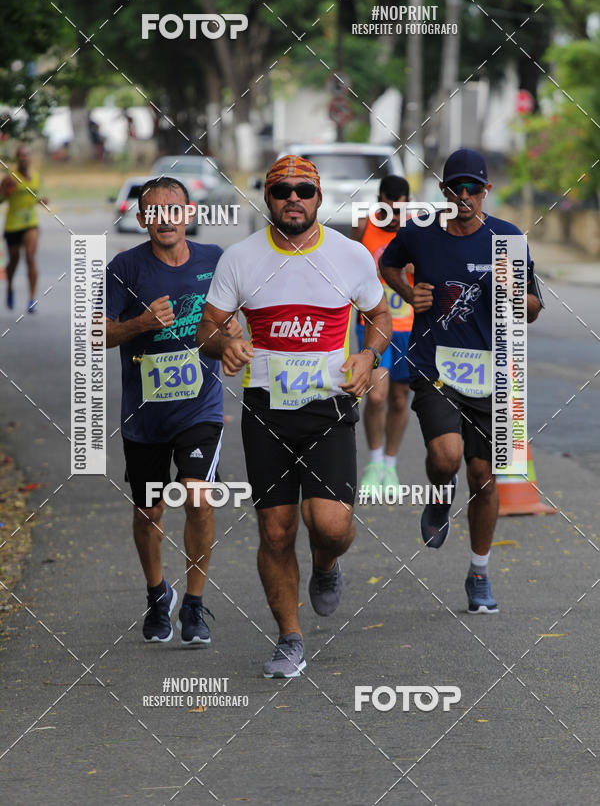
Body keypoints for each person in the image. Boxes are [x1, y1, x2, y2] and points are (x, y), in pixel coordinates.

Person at [196, 155, 392, 678]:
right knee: (277, 532)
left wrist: (368, 355)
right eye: (282, 191)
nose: (293, 199)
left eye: (304, 190)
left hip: (328, 405)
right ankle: (289, 638)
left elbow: (380, 314)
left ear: (319, 197)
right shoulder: (241, 258)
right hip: (267, 411)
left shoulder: (349, 255)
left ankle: (326, 563)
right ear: (267, 198)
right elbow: (207, 327)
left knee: (331, 526)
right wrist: (224, 346)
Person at [380, 148, 543, 614]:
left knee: (484, 479)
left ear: (486, 190)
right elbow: (387, 264)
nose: (465, 196)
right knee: (446, 456)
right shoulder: (420, 233)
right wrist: (409, 292)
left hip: (495, 372)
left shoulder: (506, 239)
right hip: (435, 366)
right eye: (457, 188)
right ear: (444, 191)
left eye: (474, 188)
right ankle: (439, 494)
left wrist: (512, 295)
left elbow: (533, 308)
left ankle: (479, 572)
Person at [105, 177, 232, 645]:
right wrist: (141, 322)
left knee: (197, 497)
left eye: (173, 209)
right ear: (142, 219)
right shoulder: (125, 267)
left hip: (200, 407)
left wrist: (233, 335)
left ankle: (194, 604)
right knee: (149, 512)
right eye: (155, 211)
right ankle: (158, 594)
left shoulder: (214, 260)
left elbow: (234, 316)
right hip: (144, 416)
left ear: (189, 213)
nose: (165, 219)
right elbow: (97, 333)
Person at [352, 174, 414, 495]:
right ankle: (375, 462)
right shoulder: (363, 226)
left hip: (408, 326)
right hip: (373, 324)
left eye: (400, 210)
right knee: (376, 396)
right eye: (388, 209)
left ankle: (390, 465)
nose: (394, 217)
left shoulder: (418, 229)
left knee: (400, 399)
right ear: (379, 202)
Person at [1, 144, 47, 313]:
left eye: (27, 155)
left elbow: (34, 198)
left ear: (30, 158)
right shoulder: (11, 178)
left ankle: (32, 299)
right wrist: (4, 191)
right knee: (14, 260)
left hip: (30, 223)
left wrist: (42, 201)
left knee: (30, 257)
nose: (24, 158)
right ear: (17, 158)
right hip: (13, 224)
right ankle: (10, 287)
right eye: (21, 155)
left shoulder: (36, 177)